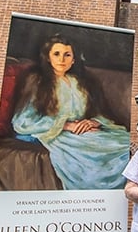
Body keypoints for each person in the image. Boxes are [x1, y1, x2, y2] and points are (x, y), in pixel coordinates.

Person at [11, 33, 129, 190]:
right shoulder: (38, 82)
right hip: (57, 133)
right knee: (94, 156)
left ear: (73, 59)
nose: (61, 60)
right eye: (56, 54)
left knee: (125, 143)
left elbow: (96, 112)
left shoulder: (81, 83)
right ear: (48, 57)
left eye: (67, 55)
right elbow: (22, 120)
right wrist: (65, 125)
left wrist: (92, 122)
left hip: (85, 130)